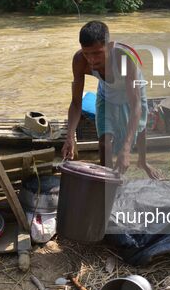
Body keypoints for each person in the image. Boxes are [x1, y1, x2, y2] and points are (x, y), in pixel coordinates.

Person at [61, 21, 161, 179]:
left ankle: (142, 161)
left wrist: (126, 149)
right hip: (106, 93)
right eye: (87, 54)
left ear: (110, 46)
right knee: (104, 142)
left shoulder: (125, 58)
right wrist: (69, 137)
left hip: (133, 91)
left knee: (140, 128)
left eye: (97, 53)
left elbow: (136, 106)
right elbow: (75, 103)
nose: (92, 60)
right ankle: (106, 179)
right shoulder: (80, 60)